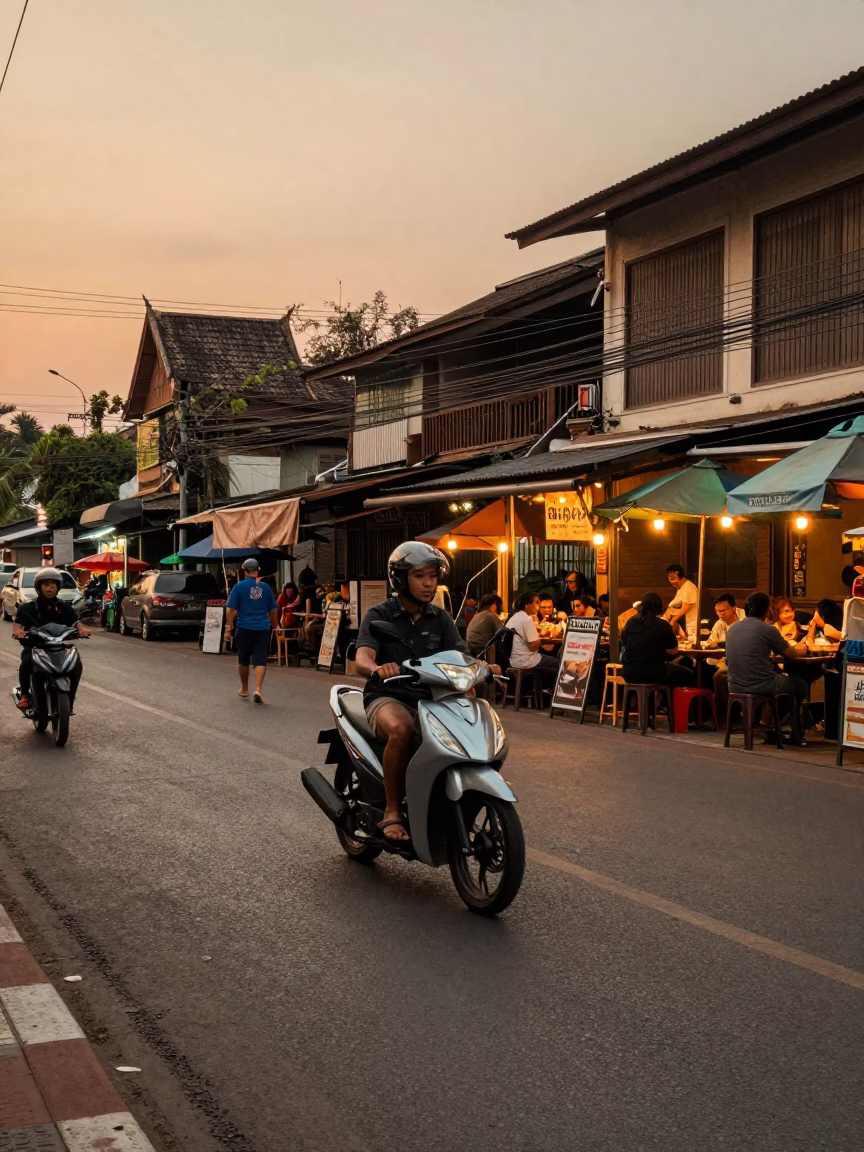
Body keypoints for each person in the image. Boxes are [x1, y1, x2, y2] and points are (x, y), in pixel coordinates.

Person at [355, 542, 484, 844]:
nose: (428, 583)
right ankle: (391, 811)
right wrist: (376, 669)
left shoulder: (440, 618)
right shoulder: (379, 614)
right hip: (387, 696)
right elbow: (361, 657)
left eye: (432, 576)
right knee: (402, 728)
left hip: (431, 699)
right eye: (420, 576)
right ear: (401, 580)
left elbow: (461, 656)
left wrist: (480, 667)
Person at [725, 591, 809, 743]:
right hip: (763, 683)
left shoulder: (732, 629)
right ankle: (786, 730)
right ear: (766, 610)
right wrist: (804, 650)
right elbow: (791, 654)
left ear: (745, 608)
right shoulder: (768, 629)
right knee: (800, 685)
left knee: (787, 682)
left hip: (734, 684)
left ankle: (770, 725)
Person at [13, 568, 89, 712]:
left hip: (59, 646)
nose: (50, 588)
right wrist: (19, 632)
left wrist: (82, 629)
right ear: (39, 587)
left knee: (76, 664)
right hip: (36, 647)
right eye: (46, 585)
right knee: (27, 662)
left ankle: (70, 699)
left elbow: (75, 623)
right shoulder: (28, 607)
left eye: (53, 585)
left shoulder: (64, 607)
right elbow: (17, 626)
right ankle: (25, 695)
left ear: (58, 587)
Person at [224, 558, 278, 704]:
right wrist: (275, 626)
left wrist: (228, 627)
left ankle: (245, 688)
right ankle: (259, 689)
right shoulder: (266, 588)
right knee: (260, 659)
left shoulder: (239, 587)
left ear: (245, 571)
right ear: (257, 570)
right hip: (262, 628)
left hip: (244, 627)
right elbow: (273, 609)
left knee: (243, 660)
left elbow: (232, 610)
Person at [621, 593, 694, 689]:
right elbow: (674, 651)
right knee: (690, 674)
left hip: (629, 673)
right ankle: (667, 702)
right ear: (659, 607)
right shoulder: (663, 625)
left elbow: (624, 644)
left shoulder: (630, 622)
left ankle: (654, 700)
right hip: (654, 672)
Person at [506, 591, 561, 677]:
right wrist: (539, 635)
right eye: (536, 602)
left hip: (513, 660)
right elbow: (533, 647)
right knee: (560, 665)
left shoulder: (515, 617)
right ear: (527, 605)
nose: (538, 606)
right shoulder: (527, 619)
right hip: (527, 661)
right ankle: (549, 689)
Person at [663, 565, 699, 643]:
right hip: (683, 626)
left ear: (680, 575)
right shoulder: (681, 588)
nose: (670, 578)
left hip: (691, 625)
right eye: (669, 576)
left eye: (672, 575)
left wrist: (673, 620)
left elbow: (686, 607)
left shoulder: (688, 587)